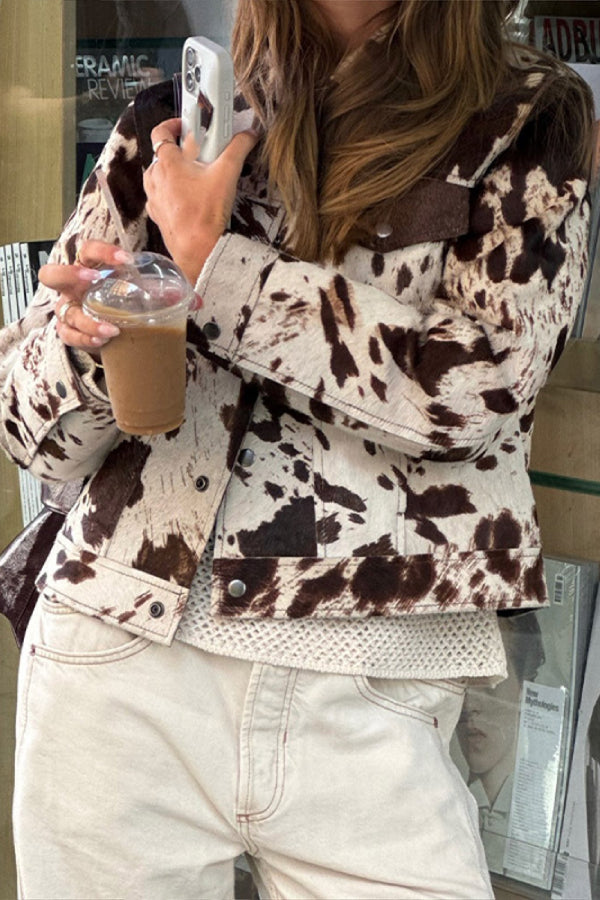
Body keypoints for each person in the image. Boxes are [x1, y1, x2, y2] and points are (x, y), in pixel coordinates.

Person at [0, 1, 594, 897]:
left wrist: (214, 267)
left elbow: (478, 389)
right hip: (121, 652)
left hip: (373, 682)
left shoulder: (525, 115)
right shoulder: (166, 124)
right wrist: (88, 342)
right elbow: (26, 428)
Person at [456, 614, 546, 873]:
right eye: (460, 683)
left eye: (489, 684)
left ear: (524, 689)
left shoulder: (538, 820)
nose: (469, 705)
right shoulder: (437, 806)